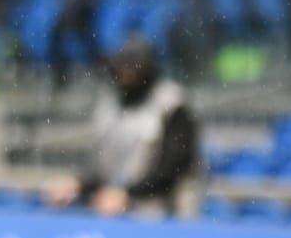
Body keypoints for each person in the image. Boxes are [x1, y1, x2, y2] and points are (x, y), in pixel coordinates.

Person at [45, 39, 200, 216]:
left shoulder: (171, 104)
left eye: (132, 66)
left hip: (168, 216)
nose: (124, 72)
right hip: (123, 214)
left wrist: (129, 194)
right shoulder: (110, 107)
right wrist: (77, 185)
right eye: (120, 65)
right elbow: (104, 170)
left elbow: (174, 168)